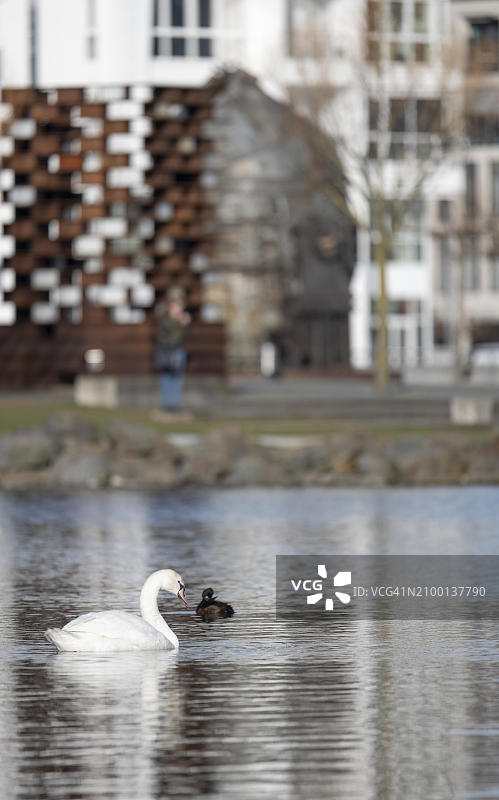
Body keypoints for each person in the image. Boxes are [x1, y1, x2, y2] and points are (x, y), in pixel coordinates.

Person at [154, 287, 191, 412]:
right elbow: (165, 334)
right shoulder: (164, 316)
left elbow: (183, 338)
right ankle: (166, 405)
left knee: (177, 378)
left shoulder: (182, 319)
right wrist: (176, 321)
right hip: (166, 351)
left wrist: (184, 325)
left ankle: (175, 405)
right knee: (166, 378)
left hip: (178, 350)